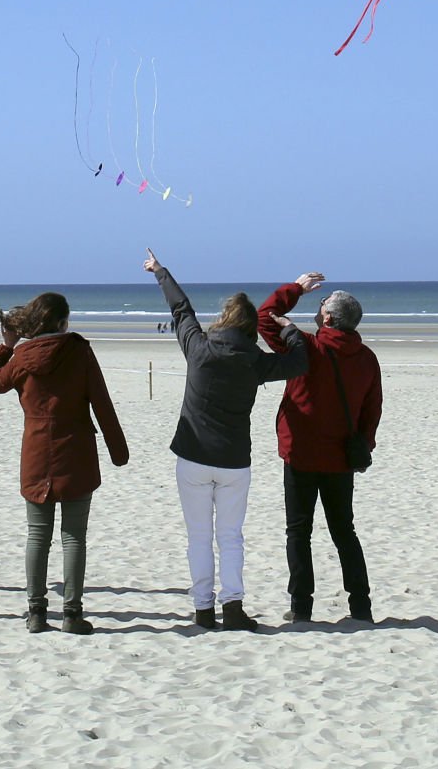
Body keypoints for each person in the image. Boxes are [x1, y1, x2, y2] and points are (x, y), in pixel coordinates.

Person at [143, 249, 307, 631]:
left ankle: (203, 609)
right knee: (230, 537)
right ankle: (232, 607)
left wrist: (160, 271)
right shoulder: (256, 361)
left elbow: (181, 310)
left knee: (199, 538)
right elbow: (299, 361)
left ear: (224, 320)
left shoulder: (199, 348)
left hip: (193, 458)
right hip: (234, 462)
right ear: (250, 329)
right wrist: (288, 329)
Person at [0, 291, 128, 636]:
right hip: (76, 453)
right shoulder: (79, 351)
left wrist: (5, 345)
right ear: (62, 322)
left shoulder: (21, 357)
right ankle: (72, 614)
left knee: (38, 536)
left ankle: (36, 613)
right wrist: (118, 451)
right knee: (73, 537)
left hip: (35, 455)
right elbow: (102, 404)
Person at [258, 273, 383, 625]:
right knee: (344, 531)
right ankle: (360, 607)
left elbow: (263, 317)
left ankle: (302, 608)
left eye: (322, 306)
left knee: (299, 531)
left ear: (328, 318)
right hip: (340, 458)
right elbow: (372, 412)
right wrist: (362, 445)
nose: (318, 309)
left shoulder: (306, 347)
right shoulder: (365, 357)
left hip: (302, 455)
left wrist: (295, 289)